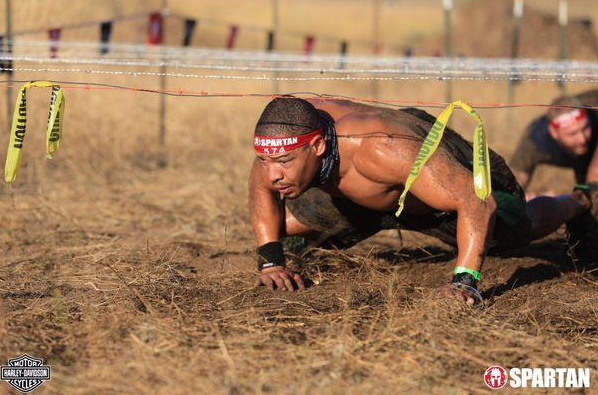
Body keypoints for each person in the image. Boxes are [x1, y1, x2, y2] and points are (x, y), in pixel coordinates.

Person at [249, 97, 598, 304]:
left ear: (318, 146)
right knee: (284, 228)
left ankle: (578, 202)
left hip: (443, 196)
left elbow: (476, 202)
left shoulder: (383, 146)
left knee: (519, 230)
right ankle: (289, 253)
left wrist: (465, 282)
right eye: (268, 161)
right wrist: (270, 261)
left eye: (283, 163)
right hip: (372, 198)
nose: (273, 173)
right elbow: (262, 182)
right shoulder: (283, 135)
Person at [509, 89, 598, 194]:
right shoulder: (535, 140)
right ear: (554, 132)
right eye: (572, 134)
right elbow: (514, 183)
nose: (582, 139)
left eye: (585, 128)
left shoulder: (594, 112)